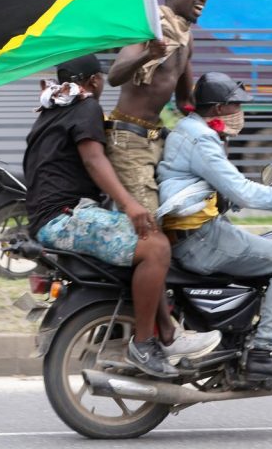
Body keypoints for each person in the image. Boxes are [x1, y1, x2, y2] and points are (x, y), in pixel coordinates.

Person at [23, 55, 216, 378]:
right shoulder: (85, 108)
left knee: (147, 245)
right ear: (96, 81)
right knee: (155, 246)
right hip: (65, 219)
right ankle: (145, 343)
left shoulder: (51, 110)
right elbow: (94, 160)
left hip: (54, 217)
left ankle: (167, 332)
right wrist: (130, 204)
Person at [156, 72, 272, 383]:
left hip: (195, 232)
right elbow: (243, 192)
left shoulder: (191, 129)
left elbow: (224, 189)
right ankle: (262, 353)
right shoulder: (201, 138)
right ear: (220, 109)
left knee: (267, 249)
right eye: (236, 105)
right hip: (200, 238)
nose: (240, 112)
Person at [105, 0, 208, 214]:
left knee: (184, 210)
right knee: (148, 225)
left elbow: (185, 101)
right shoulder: (149, 28)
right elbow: (115, 76)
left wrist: (215, 124)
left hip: (157, 139)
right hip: (128, 140)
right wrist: (147, 54)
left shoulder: (186, 37)